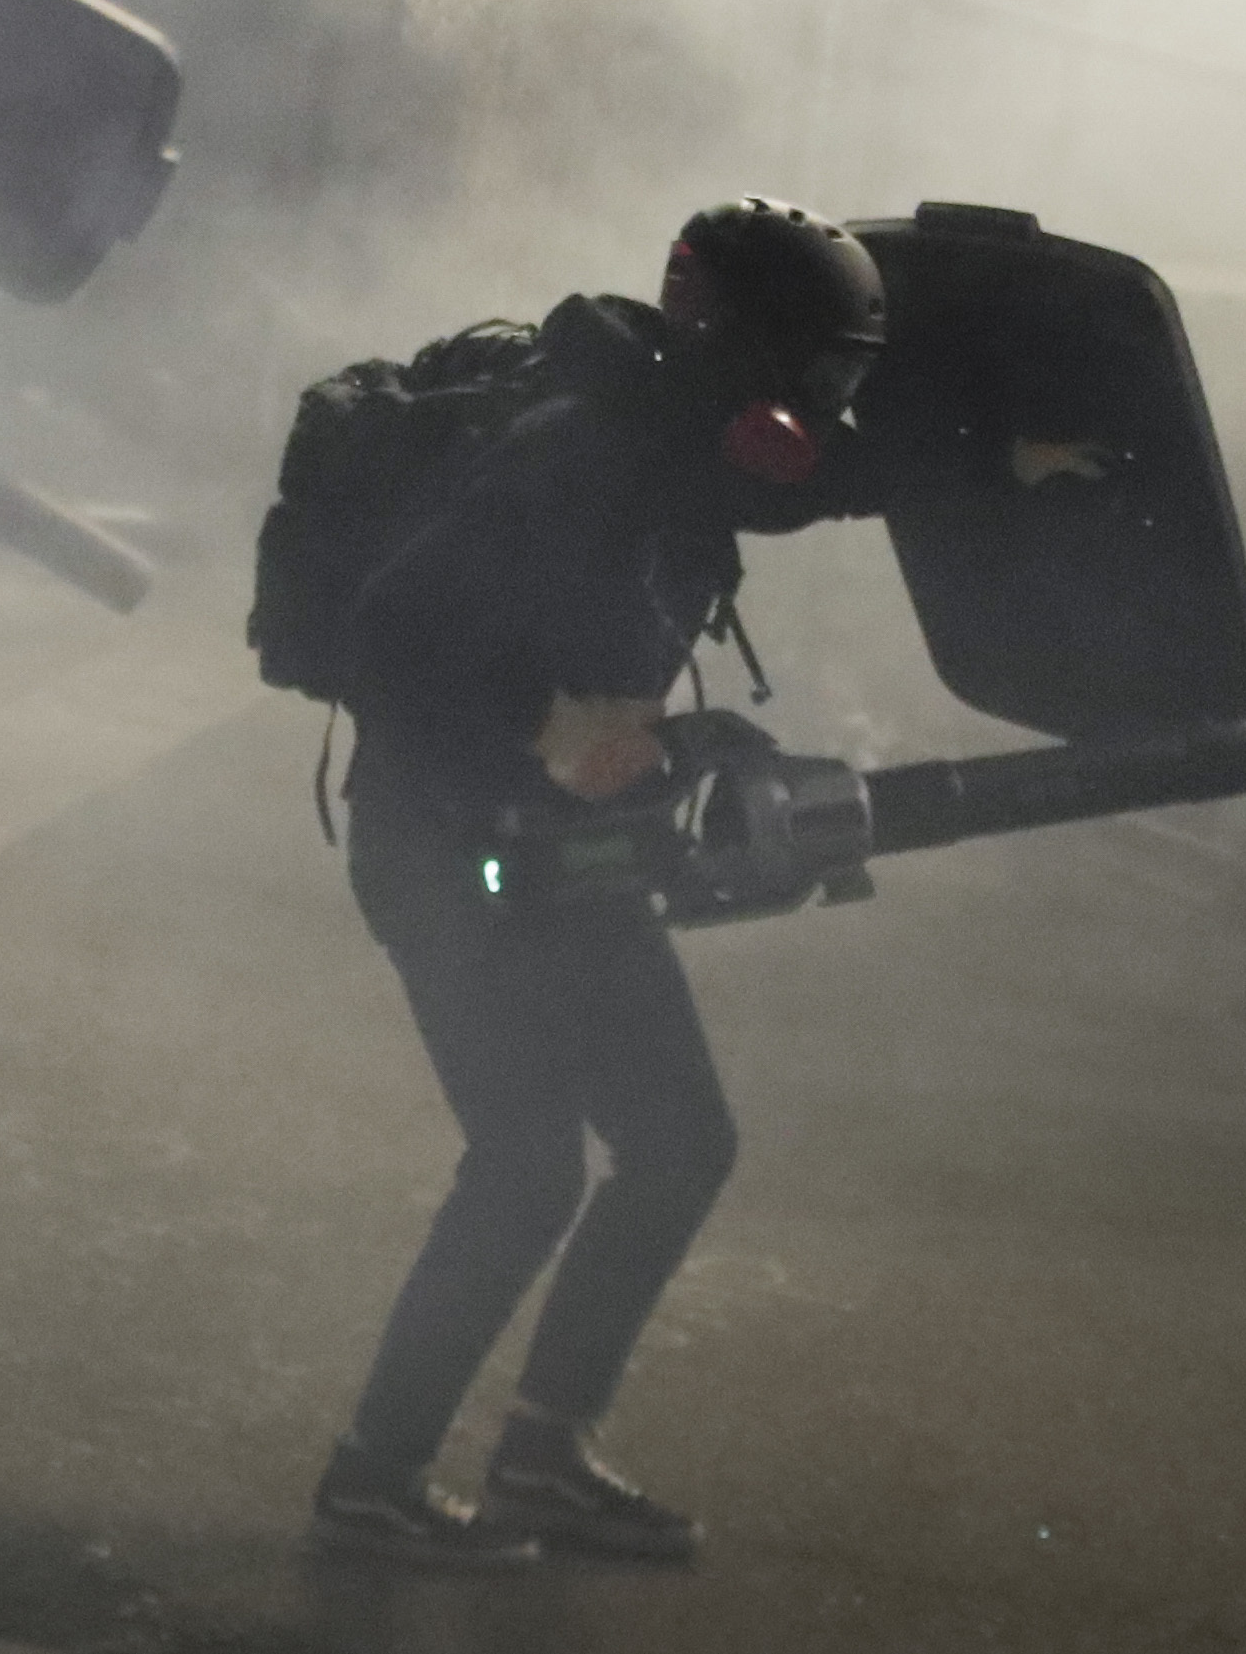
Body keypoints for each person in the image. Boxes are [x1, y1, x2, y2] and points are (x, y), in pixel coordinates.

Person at [310, 199, 888, 1569]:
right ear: (752, 351)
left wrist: (1007, 465)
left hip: (552, 847)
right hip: (447, 840)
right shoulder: (582, 449)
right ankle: (372, 1479)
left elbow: (826, 479)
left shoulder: (684, 439)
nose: (830, 406)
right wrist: (544, 741)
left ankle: (541, 1455)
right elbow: (387, 627)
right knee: (523, 1166)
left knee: (680, 1141)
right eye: (825, 371)